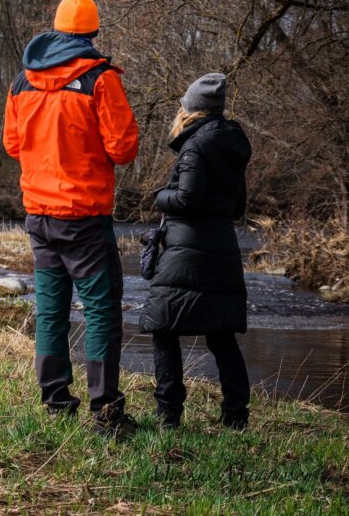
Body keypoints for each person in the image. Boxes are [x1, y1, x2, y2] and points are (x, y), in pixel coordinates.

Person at [3, 0, 140, 436]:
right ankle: (105, 411)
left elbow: (12, 145)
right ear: (93, 32)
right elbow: (123, 149)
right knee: (100, 310)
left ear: (58, 29)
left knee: (50, 310)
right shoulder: (100, 78)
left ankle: (56, 401)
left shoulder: (23, 81)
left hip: (39, 214)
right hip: (83, 215)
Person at [139, 73, 252, 430]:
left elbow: (187, 198)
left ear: (192, 110)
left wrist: (160, 196)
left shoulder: (195, 146)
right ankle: (236, 417)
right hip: (221, 249)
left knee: (163, 329)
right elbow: (237, 207)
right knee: (221, 335)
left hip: (187, 251)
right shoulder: (232, 145)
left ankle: (168, 415)